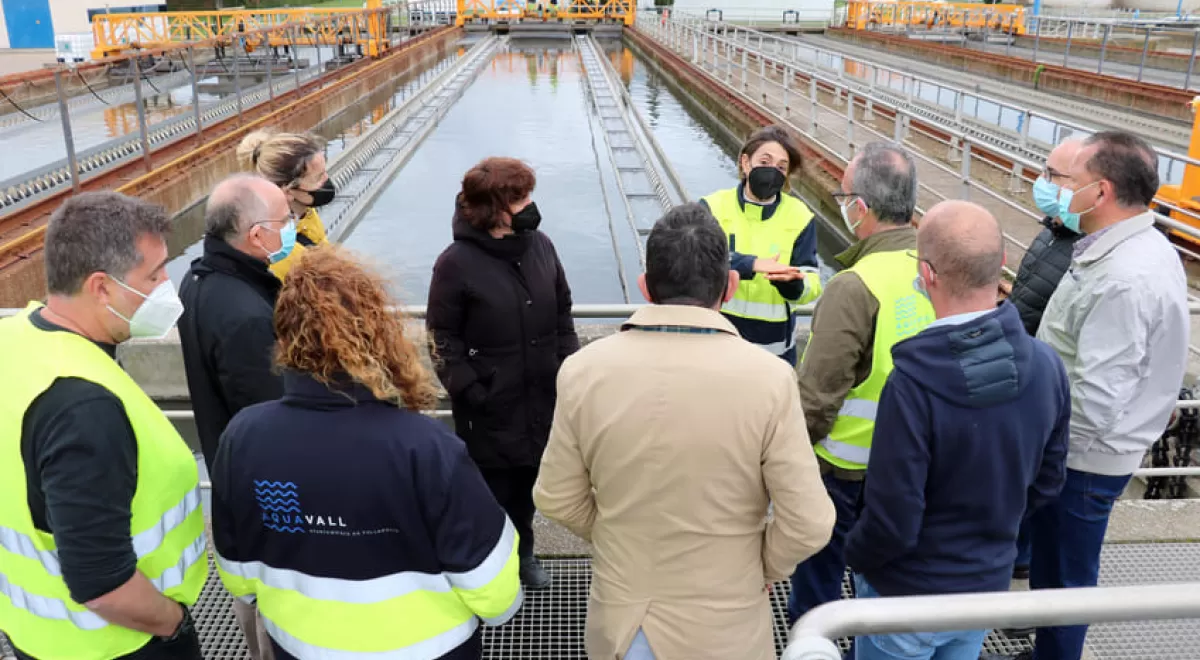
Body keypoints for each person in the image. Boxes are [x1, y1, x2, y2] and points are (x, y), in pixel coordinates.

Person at [533, 203, 835, 660]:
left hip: (623, 619)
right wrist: (761, 565)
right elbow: (810, 522)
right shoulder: (769, 378)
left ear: (645, 286)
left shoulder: (583, 370)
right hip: (725, 625)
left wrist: (616, 538)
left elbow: (556, 497)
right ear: (730, 286)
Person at [212, 246, 523, 660]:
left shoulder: (243, 437)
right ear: (377, 333)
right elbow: (495, 592)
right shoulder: (426, 448)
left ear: (283, 337)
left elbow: (239, 576)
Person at [844, 200, 1070, 660]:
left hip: (906, 595)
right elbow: (1049, 481)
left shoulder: (911, 384)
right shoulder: (1047, 365)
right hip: (983, 590)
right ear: (1001, 263)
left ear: (927, 274)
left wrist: (854, 555)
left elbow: (893, 520)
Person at [0, 192, 207, 659]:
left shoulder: (14, 340)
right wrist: (173, 624)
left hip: (34, 635)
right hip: (121, 644)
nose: (166, 286)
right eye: (154, 274)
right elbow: (102, 582)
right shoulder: (83, 408)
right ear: (101, 288)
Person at [1030, 132, 1189, 660]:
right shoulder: (1136, 247)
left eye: (1067, 180)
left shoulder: (1124, 277)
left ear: (1100, 192)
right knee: (1056, 568)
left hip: (1083, 460)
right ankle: (1048, 649)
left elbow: (1097, 400)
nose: (1057, 189)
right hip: (1086, 450)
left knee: (1066, 577)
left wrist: (1046, 454)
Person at [788, 142, 934, 628]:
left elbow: (817, 397)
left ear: (861, 207)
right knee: (882, 583)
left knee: (819, 591)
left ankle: (814, 642)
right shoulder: (936, 270)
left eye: (843, 195)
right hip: (913, 465)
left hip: (844, 471)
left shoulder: (854, 286)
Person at [426, 157, 580, 590]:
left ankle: (523, 555)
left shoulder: (541, 246)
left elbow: (563, 312)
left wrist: (567, 367)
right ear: (493, 209)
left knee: (527, 489)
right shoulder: (455, 263)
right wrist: (473, 390)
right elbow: (442, 338)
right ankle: (487, 572)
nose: (530, 205)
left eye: (528, 195)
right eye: (519, 199)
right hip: (489, 410)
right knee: (490, 494)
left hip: (541, 399)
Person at [177, 174, 292, 660]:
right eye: (285, 220)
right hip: (266, 490)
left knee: (248, 588)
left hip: (226, 463)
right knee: (274, 601)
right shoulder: (246, 315)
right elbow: (272, 420)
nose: (292, 227)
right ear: (256, 234)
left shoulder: (199, 279)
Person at [1004, 136, 1084, 609]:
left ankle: (1023, 561)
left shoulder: (1084, 253)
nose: (1043, 183)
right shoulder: (1053, 232)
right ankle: (1020, 556)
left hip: (1043, 389)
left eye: (1055, 175)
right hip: (1025, 371)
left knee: (1037, 481)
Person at [699, 124, 823, 365]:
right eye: (765, 162)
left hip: (774, 354)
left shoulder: (800, 216)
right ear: (746, 163)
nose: (772, 171)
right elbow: (695, 263)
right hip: (717, 345)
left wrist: (795, 284)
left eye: (781, 167)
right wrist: (750, 264)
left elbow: (813, 281)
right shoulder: (712, 207)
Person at [237, 130, 334, 279]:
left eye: (324, 171)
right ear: (288, 190)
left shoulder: (304, 212)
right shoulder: (280, 252)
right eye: (318, 177)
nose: (326, 179)